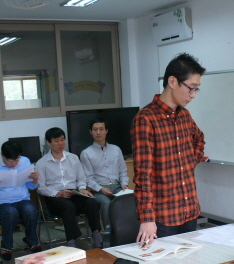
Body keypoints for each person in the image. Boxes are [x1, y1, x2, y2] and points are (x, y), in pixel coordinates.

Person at [131, 52, 206, 246]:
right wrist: (147, 219)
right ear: (172, 81)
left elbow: (199, 139)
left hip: (189, 210)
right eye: (191, 88)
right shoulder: (145, 119)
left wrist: (189, 161)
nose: (193, 95)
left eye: (197, 89)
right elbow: (143, 174)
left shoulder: (185, 116)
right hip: (163, 217)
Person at [36, 127, 103, 249]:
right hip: (54, 198)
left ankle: (96, 234)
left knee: (92, 202)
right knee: (68, 206)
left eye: (62, 140)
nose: (60, 143)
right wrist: (58, 193)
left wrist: (82, 189)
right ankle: (71, 241)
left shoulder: (73, 158)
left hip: (74, 194)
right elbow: (41, 188)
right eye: (56, 141)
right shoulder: (42, 163)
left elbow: (81, 179)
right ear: (48, 143)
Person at [0, 140, 42, 261]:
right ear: (2, 155)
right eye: (10, 160)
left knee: (30, 210)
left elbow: (31, 187)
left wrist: (35, 179)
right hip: (3, 204)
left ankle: (32, 241)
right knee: (10, 212)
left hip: (23, 199)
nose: (14, 163)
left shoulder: (25, 162)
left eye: (16, 159)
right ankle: (6, 246)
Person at [80, 117, 129, 230]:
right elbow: (88, 178)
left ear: (106, 131)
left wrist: (124, 184)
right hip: (99, 190)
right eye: (95, 129)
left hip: (117, 187)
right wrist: (100, 189)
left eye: (101, 129)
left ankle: (127, 230)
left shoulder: (116, 149)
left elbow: (122, 171)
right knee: (106, 203)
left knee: (129, 198)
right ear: (90, 132)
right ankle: (109, 233)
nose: (98, 132)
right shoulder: (86, 153)